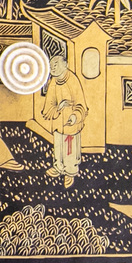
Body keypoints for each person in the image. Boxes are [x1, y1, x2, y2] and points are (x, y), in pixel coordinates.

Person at [37, 57, 88, 187]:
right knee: (58, 145)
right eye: (51, 65)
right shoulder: (53, 81)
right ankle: (58, 167)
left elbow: (80, 103)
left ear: (65, 65)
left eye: (56, 64)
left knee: (69, 147)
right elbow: (48, 106)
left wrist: (75, 116)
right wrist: (59, 107)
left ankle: (70, 172)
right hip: (58, 122)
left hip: (71, 123)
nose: (53, 68)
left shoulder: (73, 80)